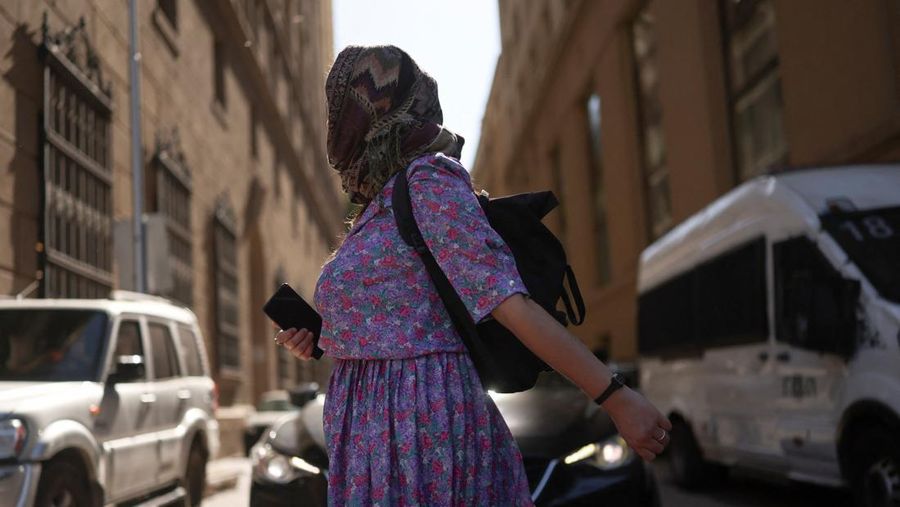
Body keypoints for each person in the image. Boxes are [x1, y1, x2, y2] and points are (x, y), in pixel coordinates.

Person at [274, 45, 671, 506]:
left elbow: (507, 301)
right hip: (370, 438)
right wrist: (321, 338)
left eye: (346, 105)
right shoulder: (375, 207)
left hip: (420, 432)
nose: (337, 121)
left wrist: (615, 397)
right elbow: (397, 321)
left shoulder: (429, 179)